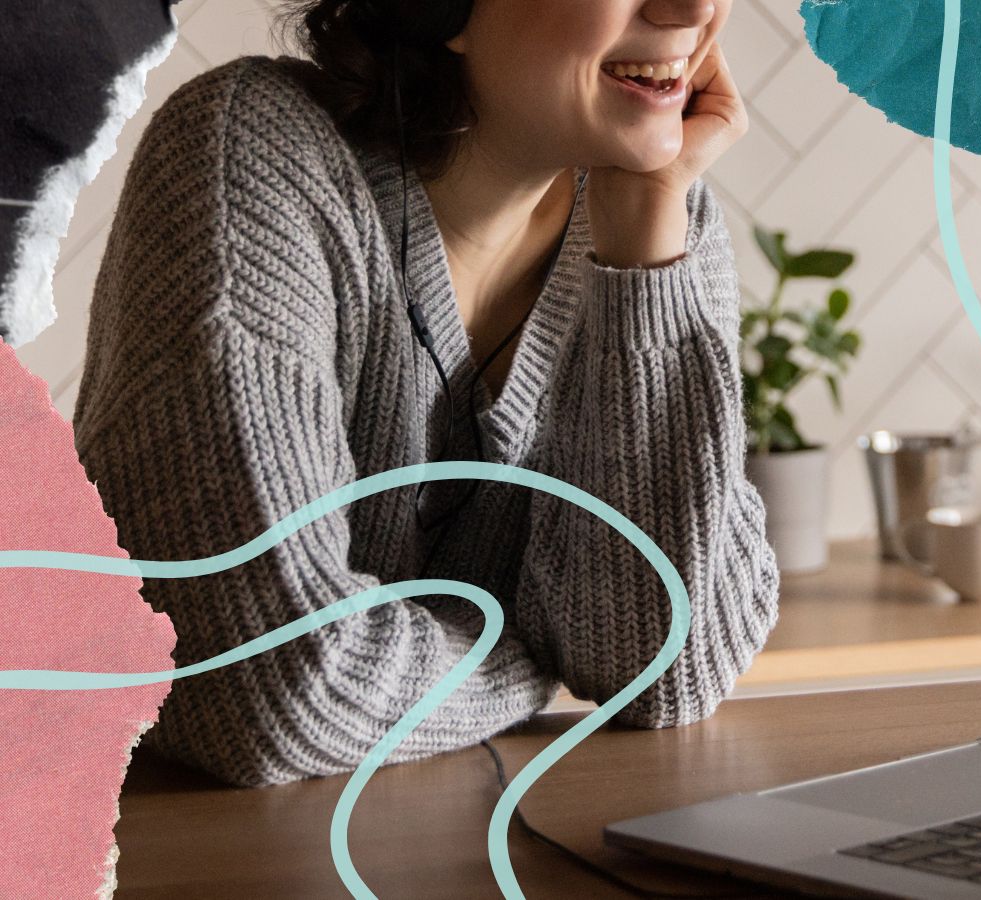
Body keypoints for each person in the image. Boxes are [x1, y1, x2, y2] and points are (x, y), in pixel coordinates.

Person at [72, 0, 780, 788]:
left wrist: (647, 249)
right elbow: (271, 688)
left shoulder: (659, 219)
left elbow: (663, 671)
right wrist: (529, 659)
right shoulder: (253, 152)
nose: (692, 9)